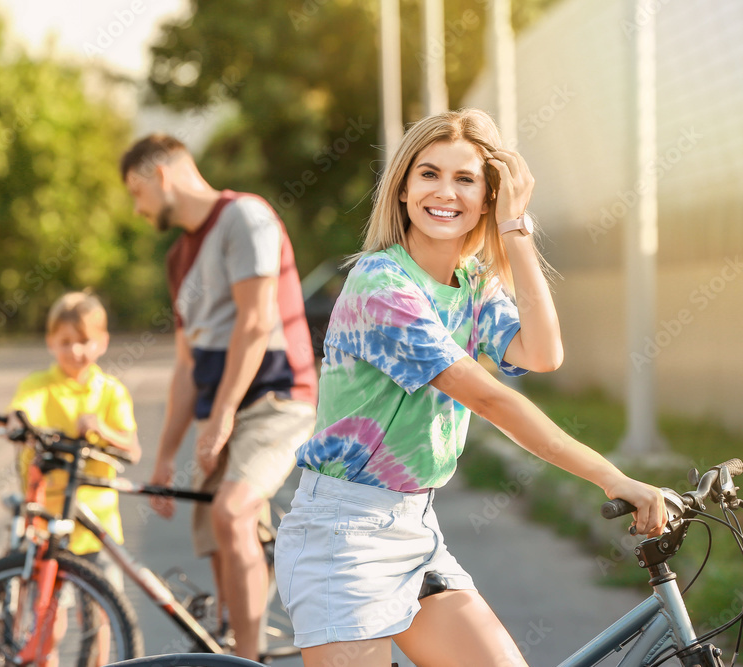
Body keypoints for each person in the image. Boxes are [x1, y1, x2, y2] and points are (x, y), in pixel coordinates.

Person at [272, 108, 668, 667]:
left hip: (415, 527)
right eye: (429, 174)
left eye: (466, 179)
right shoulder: (381, 283)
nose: (445, 192)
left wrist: (515, 229)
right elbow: (489, 398)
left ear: (487, 197)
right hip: (345, 536)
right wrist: (610, 476)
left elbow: (543, 352)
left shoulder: (473, 281)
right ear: (404, 188)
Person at [121, 134, 318, 659]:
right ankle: (240, 629)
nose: (137, 209)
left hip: (276, 399)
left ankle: (245, 662)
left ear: (160, 175)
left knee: (232, 513)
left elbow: (255, 324)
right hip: (221, 411)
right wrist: (164, 457)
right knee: (217, 544)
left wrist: (225, 414)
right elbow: (186, 365)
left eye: (134, 192)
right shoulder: (177, 259)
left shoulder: (244, 218)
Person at [6, 290, 141, 666]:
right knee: (48, 613)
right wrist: (17, 422)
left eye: (83, 341)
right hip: (49, 521)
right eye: (65, 342)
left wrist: (101, 430)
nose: (75, 350)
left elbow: (132, 448)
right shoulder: (40, 385)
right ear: (51, 342)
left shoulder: (111, 391)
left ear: (101, 343)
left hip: (97, 521)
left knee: (99, 616)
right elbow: (21, 411)